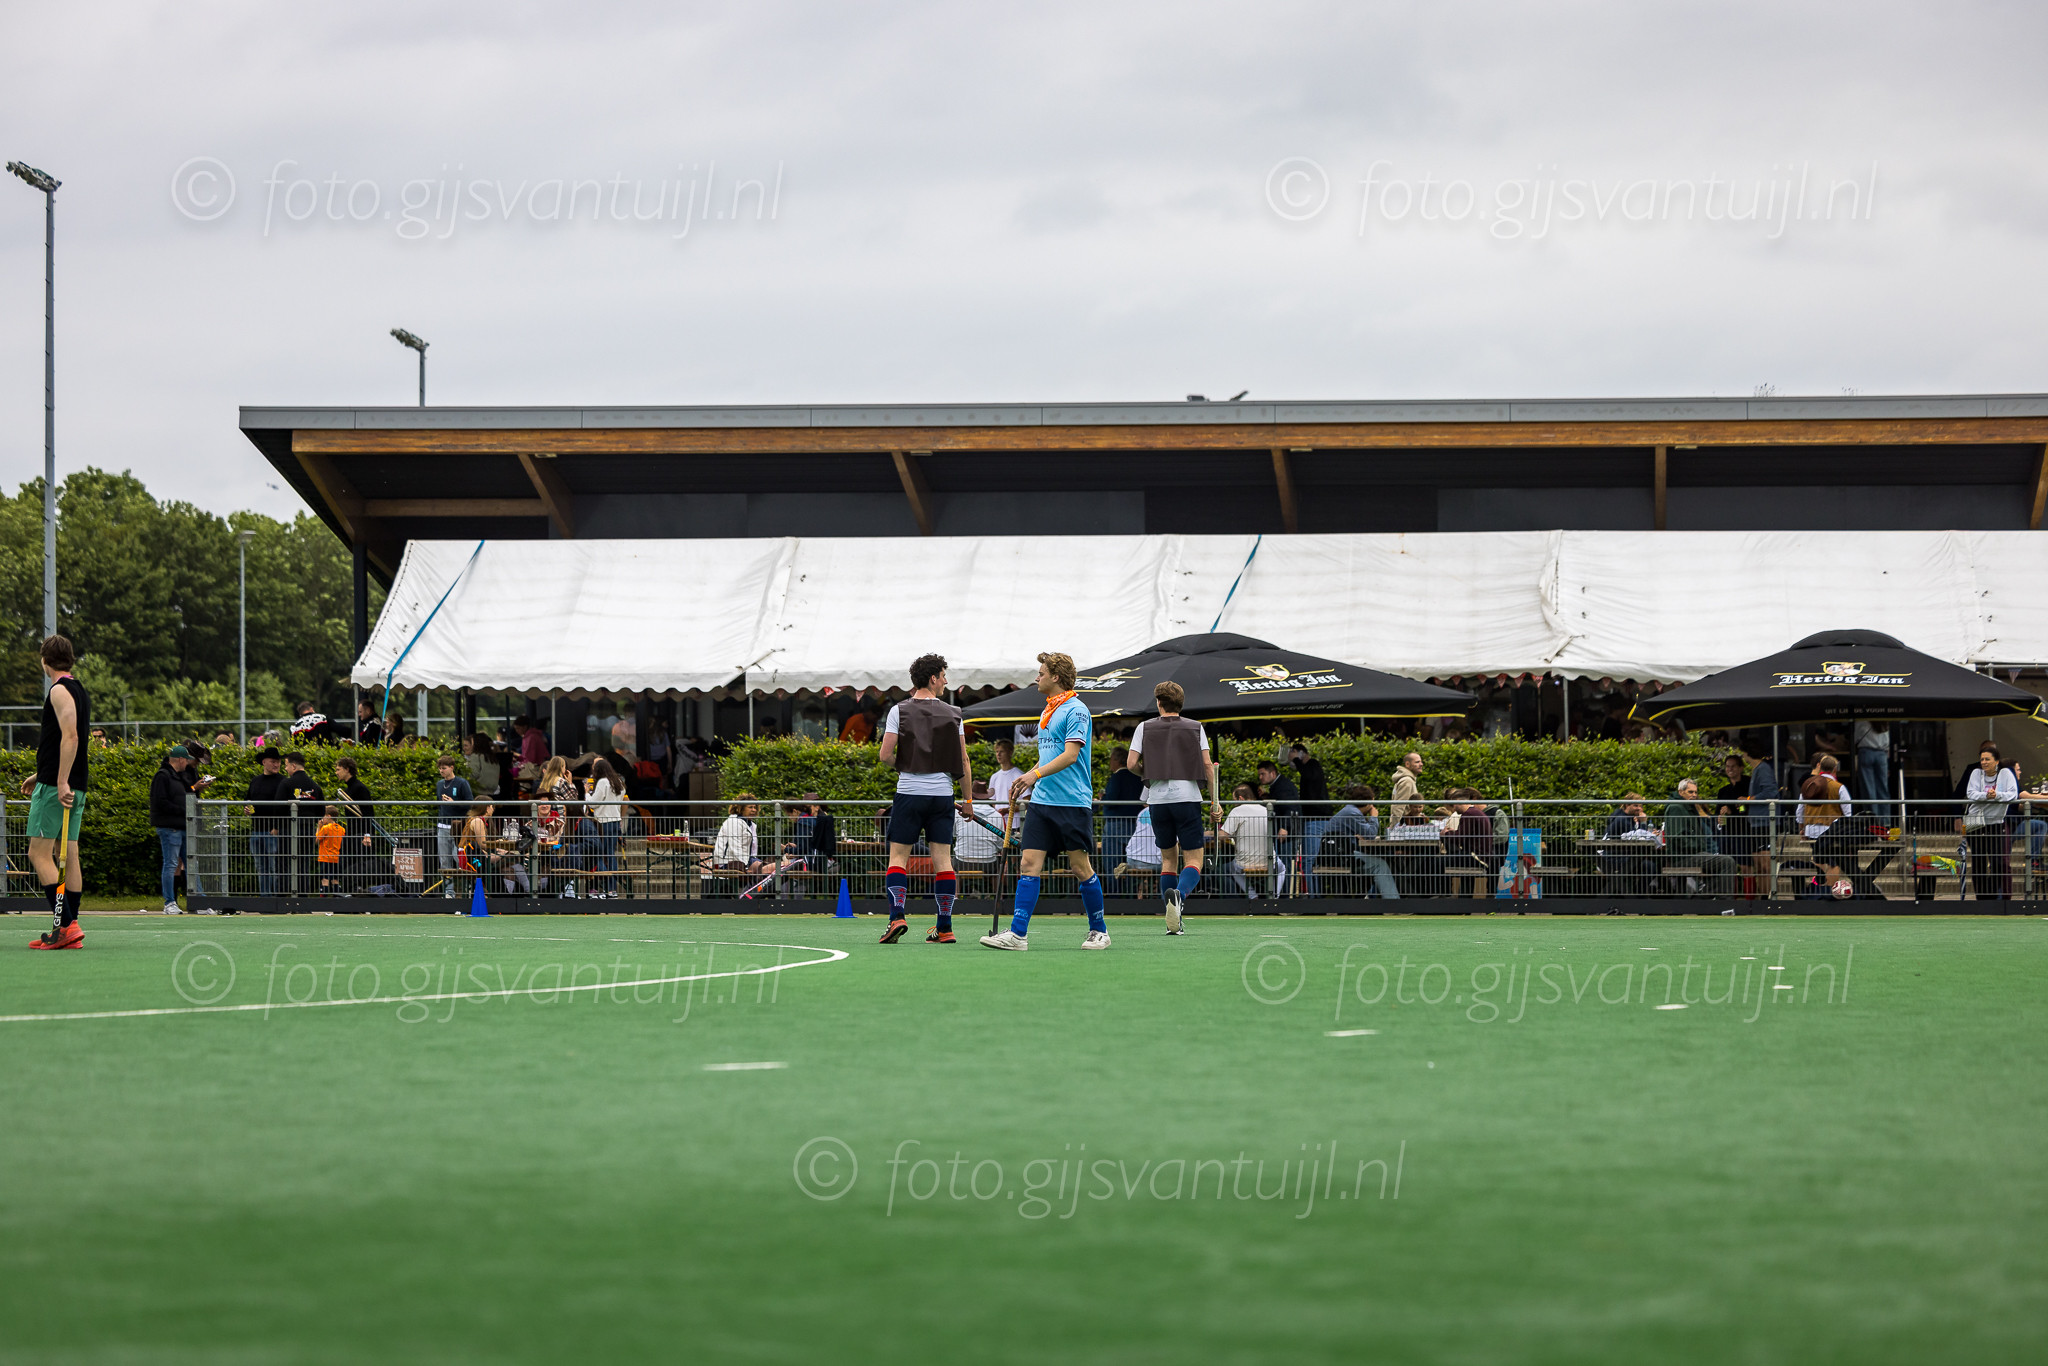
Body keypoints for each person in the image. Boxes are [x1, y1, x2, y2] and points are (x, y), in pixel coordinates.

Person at [981, 651, 1109, 951]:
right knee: (1028, 864)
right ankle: (1018, 935)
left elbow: (1071, 755)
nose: (1037, 677)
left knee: (1080, 867)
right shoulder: (1047, 711)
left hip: (1072, 803)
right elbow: (1050, 755)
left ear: (1056, 676)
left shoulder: (1077, 710)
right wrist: (1030, 776)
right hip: (1042, 802)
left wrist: (1033, 775)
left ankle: (1099, 931)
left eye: (1041, 673)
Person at [875, 653, 975, 943]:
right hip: (942, 795)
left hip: (908, 793)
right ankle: (944, 928)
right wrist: (968, 801)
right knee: (943, 860)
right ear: (933, 678)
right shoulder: (954, 713)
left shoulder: (898, 710)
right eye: (943, 676)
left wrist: (906, 767)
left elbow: (885, 755)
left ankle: (897, 917)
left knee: (898, 858)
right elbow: (963, 761)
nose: (946, 681)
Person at [1127, 679, 1222, 933]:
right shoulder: (1196, 727)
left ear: (1159, 703)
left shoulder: (1144, 727)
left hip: (1157, 799)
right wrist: (1215, 802)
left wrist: (1148, 772)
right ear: (1181, 703)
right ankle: (1179, 896)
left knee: (1168, 860)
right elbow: (1207, 767)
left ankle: (1173, 922)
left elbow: (1131, 764)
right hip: (1188, 797)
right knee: (1194, 859)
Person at [23, 637, 89, 948]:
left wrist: (58, 781)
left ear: (44, 661)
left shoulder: (59, 690)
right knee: (70, 852)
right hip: (72, 782)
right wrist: (42, 773)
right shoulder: (79, 689)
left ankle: (64, 926)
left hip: (57, 787)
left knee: (38, 853)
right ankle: (70, 925)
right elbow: (65, 741)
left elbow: (71, 737)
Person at [148, 745, 208, 914]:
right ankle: (169, 902)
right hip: (169, 827)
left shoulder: (179, 776)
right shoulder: (162, 776)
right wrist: (184, 810)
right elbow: (161, 802)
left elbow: (187, 793)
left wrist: (194, 789)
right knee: (171, 864)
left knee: (191, 863)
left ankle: (199, 901)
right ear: (181, 759)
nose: (188, 763)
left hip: (182, 826)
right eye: (186, 760)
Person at [1663, 778, 1739, 896]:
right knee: (1726, 861)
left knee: (1723, 862)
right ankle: (1723, 901)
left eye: (1695, 792)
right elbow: (1677, 837)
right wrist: (1698, 846)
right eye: (1690, 792)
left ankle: (1704, 898)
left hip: (1692, 855)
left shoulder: (1688, 807)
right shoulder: (1676, 808)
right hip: (1683, 857)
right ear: (1680, 792)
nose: (1694, 795)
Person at [1321, 784, 1399, 899]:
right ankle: (1393, 902)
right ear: (1368, 802)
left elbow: (1364, 834)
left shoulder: (1350, 810)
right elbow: (1370, 835)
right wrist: (1374, 817)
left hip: (1339, 854)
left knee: (1380, 860)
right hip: (1341, 857)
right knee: (1380, 865)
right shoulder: (1353, 813)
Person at [1963, 744, 2018, 902]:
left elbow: (2012, 794)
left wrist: (1997, 795)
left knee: (1998, 862)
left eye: (1987, 759)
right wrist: (1987, 796)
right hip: (1975, 821)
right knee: (1979, 861)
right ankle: (1981, 899)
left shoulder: (2006, 773)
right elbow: (1971, 794)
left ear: (1996, 761)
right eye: (1982, 759)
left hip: (1996, 821)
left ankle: (1991, 896)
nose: (1984, 762)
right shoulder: (1976, 773)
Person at [1217, 784, 1276, 899]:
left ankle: (1238, 901)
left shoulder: (1237, 811)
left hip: (1245, 863)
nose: (1234, 804)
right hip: (1268, 861)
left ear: (1240, 798)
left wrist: (1209, 833)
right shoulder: (1266, 810)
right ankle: (1269, 896)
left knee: (1222, 870)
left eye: (1234, 800)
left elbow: (1222, 836)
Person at [244, 749, 288, 897]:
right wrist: (247, 809)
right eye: (273, 762)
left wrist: (277, 827)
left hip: (272, 831)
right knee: (261, 867)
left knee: (275, 867)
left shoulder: (283, 781)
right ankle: (265, 898)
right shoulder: (255, 781)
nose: (276, 765)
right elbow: (248, 800)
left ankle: (276, 898)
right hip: (256, 830)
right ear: (264, 762)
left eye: (278, 762)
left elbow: (285, 807)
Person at [333, 756, 378, 893]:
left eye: (338, 769)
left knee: (359, 866)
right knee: (347, 865)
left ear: (347, 769)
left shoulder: (359, 788)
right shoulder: (349, 789)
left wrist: (367, 835)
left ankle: (361, 893)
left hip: (360, 834)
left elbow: (368, 813)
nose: (336, 772)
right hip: (352, 833)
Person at [1599, 793, 1658, 894]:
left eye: (1641, 806)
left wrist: (1649, 831)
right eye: (1635, 805)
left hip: (1623, 856)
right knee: (1649, 867)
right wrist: (1643, 823)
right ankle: (1638, 895)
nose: (1639, 808)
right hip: (1615, 858)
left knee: (1650, 865)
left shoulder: (1628, 818)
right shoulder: (1622, 820)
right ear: (1627, 805)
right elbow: (1639, 839)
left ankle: (1636, 894)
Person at [434, 754, 474, 898]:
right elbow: (439, 804)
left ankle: (466, 889)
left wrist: (454, 802)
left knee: (459, 858)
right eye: (440, 768)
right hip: (442, 826)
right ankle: (449, 892)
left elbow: (470, 803)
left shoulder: (462, 783)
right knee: (444, 861)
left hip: (458, 828)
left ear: (452, 767)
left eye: (444, 768)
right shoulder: (439, 784)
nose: (441, 771)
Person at [1258, 760, 1300, 894]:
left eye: (1263, 774)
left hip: (1287, 834)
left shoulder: (1283, 786)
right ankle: (1282, 894)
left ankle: (1285, 896)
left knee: (1285, 866)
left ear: (1273, 773)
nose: (1260, 777)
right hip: (1285, 832)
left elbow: (1290, 807)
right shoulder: (1279, 785)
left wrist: (1285, 827)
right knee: (1283, 865)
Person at [586, 757, 625, 899]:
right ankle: (612, 889)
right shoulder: (617, 781)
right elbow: (620, 799)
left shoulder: (602, 782)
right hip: (615, 821)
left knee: (599, 854)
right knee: (610, 854)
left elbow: (593, 803)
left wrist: (586, 793)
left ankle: (605, 885)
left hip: (603, 822)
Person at [951, 782, 1004, 873]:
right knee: (996, 869)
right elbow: (1000, 843)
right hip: (988, 862)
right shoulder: (997, 815)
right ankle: (996, 883)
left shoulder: (959, 813)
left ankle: (957, 883)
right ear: (987, 797)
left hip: (962, 861)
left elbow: (954, 833)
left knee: (953, 866)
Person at [988, 738, 1026, 816]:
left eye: (1002, 751)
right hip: (998, 821)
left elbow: (1027, 801)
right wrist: (999, 812)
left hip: (1015, 821)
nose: (998, 754)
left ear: (1010, 753)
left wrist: (1008, 810)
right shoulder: (994, 777)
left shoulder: (1019, 775)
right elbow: (992, 800)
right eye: (997, 751)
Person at [314, 806, 347, 893]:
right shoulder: (342, 829)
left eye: (323, 816)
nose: (322, 819)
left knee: (325, 880)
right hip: (336, 858)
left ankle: (324, 897)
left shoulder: (325, 828)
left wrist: (319, 827)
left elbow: (317, 840)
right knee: (335, 879)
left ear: (328, 816)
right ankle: (337, 896)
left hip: (325, 858)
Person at [1389, 751, 1425, 826]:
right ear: (1407, 764)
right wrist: (1395, 828)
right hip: (1405, 826)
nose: (1421, 764)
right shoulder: (1407, 781)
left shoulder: (1406, 780)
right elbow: (1398, 807)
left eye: (1421, 762)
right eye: (1417, 762)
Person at [1289, 743, 1329, 807]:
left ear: (1301, 753)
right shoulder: (1306, 767)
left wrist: (1296, 759)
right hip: (1309, 806)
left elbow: (1308, 775)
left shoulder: (1313, 764)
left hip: (1317, 807)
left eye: (1294, 752)